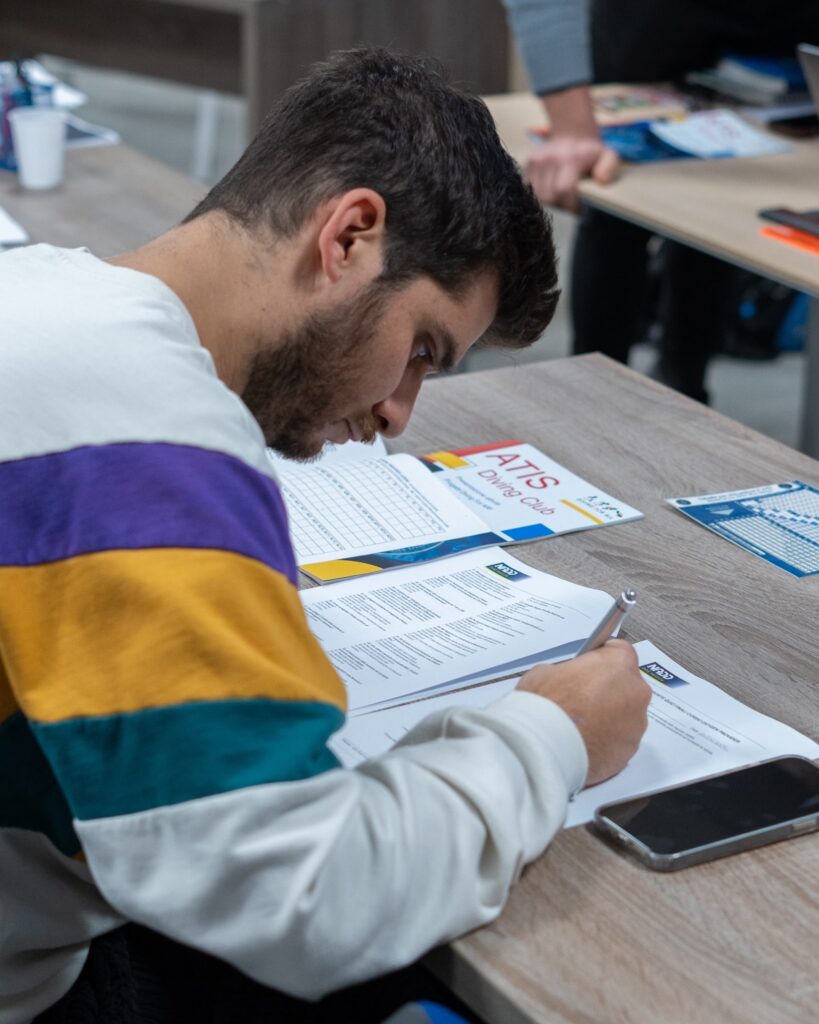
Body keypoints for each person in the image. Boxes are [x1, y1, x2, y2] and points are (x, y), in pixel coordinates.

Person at [0, 48, 651, 1024]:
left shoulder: (43, 295)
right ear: (349, 234)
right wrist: (551, 734)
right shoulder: (148, 438)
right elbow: (310, 901)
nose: (399, 413)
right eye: (422, 349)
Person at [502, 0, 819, 402]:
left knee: (719, 213)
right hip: (654, 17)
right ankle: (591, 394)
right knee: (616, 210)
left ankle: (684, 383)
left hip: (789, 29)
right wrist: (572, 129)